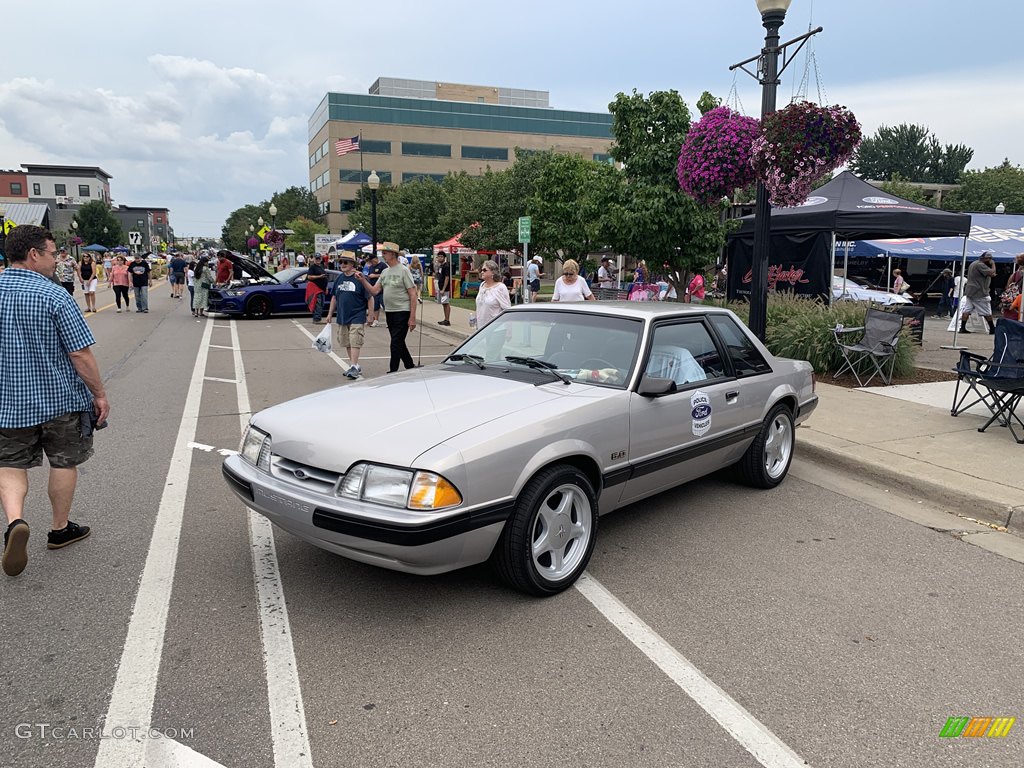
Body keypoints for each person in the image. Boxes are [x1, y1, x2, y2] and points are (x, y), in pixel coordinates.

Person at [0, 225, 109, 577]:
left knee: (10, 464)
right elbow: (80, 354)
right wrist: (99, 393)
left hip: (7, 402)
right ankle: (60, 529)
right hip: (59, 398)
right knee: (63, 462)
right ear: (33, 254)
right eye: (50, 253)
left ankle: (15, 520)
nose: (54, 260)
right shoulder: (55, 295)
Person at [357, 242, 417, 372]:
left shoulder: (404, 271)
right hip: (390, 311)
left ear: (393, 254)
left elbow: (413, 294)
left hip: (402, 310)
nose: (383, 255)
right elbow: (374, 291)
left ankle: (393, 371)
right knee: (399, 342)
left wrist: (412, 317)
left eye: (385, 252)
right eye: (382, 252)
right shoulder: (385, 272)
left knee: (395, 343)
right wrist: (363, 280)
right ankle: (410, 366)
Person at [324, 252, 372, 379]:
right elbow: (334, 297)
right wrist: (330, 314)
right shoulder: (339, 278)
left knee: (355, 339)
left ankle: (354, 366)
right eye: (341, 262)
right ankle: (354, 365)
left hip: (357, 314)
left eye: (346, 262)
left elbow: (370, 297)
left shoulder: (360, 278)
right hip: (342, 315)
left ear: (352, 264)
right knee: (347, 341)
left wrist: (371, 316)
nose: (342, 264)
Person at [961, 251, 997, 334]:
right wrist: (993, 264)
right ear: (985, 258)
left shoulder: (974, 263)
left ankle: (962, 327)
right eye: (989, 259)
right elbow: (991, 272)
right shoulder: (980, 265)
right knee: (987, 310)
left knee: (967, 309)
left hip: (970, 291)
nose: (990, 260)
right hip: (979, 292)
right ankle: (992, 328)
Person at [474, 260, 511, 328]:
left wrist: (509, 329)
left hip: (496, 329)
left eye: (484, 270)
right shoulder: (482, 285)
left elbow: (507, 309)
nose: (482, 272)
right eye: (481, 270)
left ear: (493, 272)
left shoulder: (500, 287)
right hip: (481, 328)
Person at [999, 252, 1023, 320]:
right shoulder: (1018, 274)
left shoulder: (1015, 274)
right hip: (1020, 300)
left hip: (1014, 299)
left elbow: (1008, 287)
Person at [305, 254, 328, 323]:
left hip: (322, 288)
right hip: (315, 288)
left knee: (321, 304)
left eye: (319, 258)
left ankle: (318, 318)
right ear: (314, 259)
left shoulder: (321, 266)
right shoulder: (312, 267)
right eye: (316, 258)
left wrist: (326, 287)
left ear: (321, 259)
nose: (318, 260)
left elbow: (325, 277)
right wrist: (319, 276)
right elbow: (309, 277)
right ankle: (316, 319)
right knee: (318, 303)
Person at [365, 253, 385, 327]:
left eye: (372, 261)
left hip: (382, 289)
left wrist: (375, 275)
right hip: (373, 288)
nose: (372, 262)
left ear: (376, 258)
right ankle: (375, 320)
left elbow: (385, 274)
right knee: (375, 306)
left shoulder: (383, 265)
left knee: (384, 304)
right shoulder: (371, 267)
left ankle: (389, 320)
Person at [434, 252, 452, 325]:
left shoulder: (446, 266)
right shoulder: (441, 266)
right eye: (438, 256)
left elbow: (447, 278)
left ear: (444, 257)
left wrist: (443, 289)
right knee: (443, 303)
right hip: (441, 287)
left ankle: (447, 320)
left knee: (445, 303)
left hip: (444, 289)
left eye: (441, 256)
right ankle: (445, 319)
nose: (440, 258)